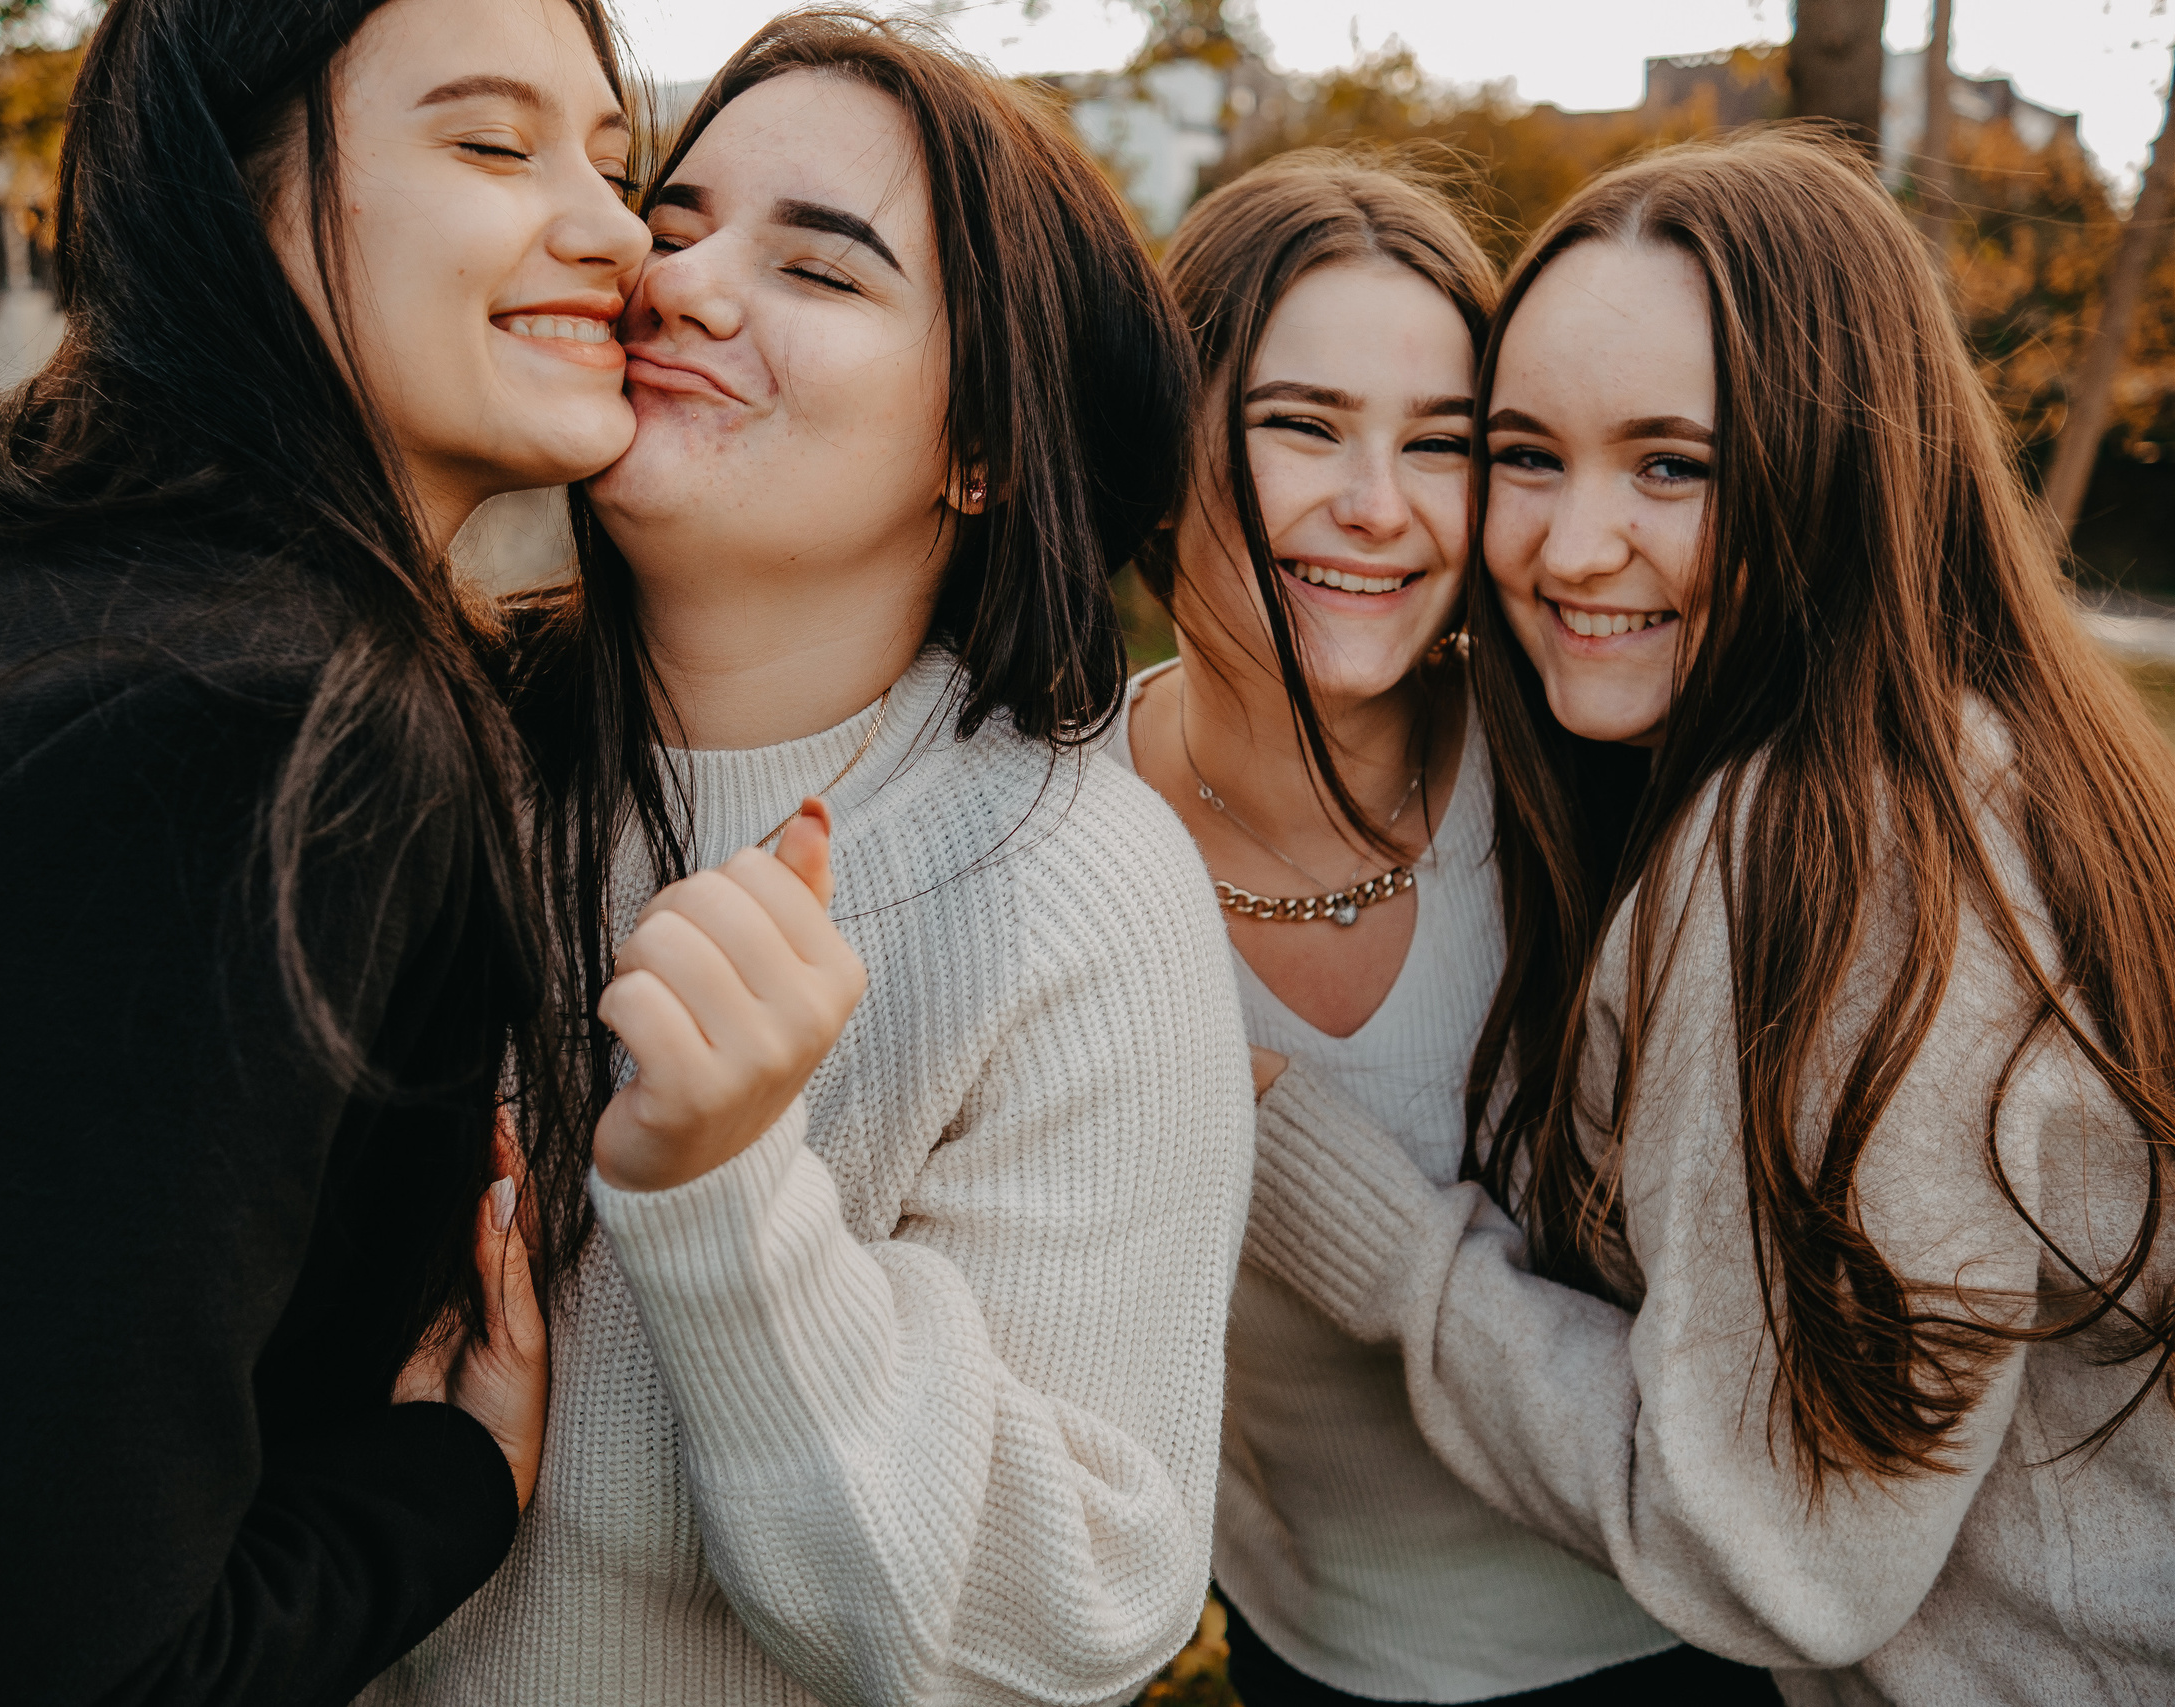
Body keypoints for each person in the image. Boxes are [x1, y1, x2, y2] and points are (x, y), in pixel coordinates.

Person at [0, 0, 661, 1699]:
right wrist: (441, 1490)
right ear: (219, 191)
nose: (615, 230)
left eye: (618, 165)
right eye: (490, 140)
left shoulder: (56, 559)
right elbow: (30, 1673)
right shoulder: (246, 714)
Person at [362, 13, 1253, 1706]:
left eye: (821, 272)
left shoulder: (1073, 888)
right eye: (674, 222)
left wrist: (727, 1195)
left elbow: (1082, 1616)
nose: (678, 287)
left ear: (986, 447)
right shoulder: (413, 747)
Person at [1253, 131, 2175, 1705]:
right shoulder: (1969, 751)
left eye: (1673, 464)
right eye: (1530, 455)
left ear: (1842, 468)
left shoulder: (1832, 860)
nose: (1571, 545)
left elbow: (1774, 1550)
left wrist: (1379, 1236)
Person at [1109, 151, 1775, 1706]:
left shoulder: (1603, 773)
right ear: (1165, 447)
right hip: (1317, 1656)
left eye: (1446, 444)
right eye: (1302, 425)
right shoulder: (1061, 844)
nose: (1379, 509)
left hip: (1683, 1644)